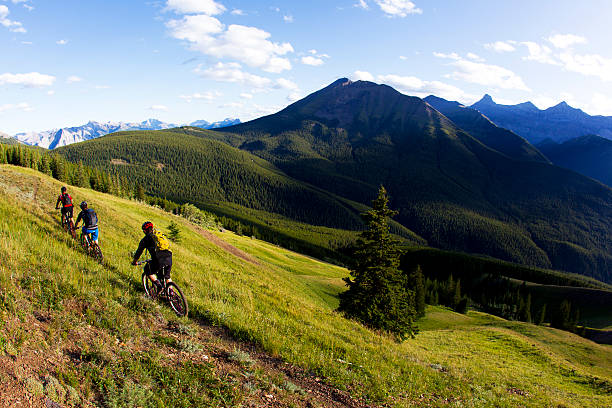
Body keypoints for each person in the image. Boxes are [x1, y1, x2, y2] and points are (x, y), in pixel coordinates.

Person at [132, 221, 172, 293]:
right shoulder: (159, 234)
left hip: (159, 257)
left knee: (147, 270)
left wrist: (134, 261)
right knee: (167, 276)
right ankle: (171, 292)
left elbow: (139, 252)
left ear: (144, 231)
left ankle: (159, 286)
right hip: (169, 255)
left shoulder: (145, 239)